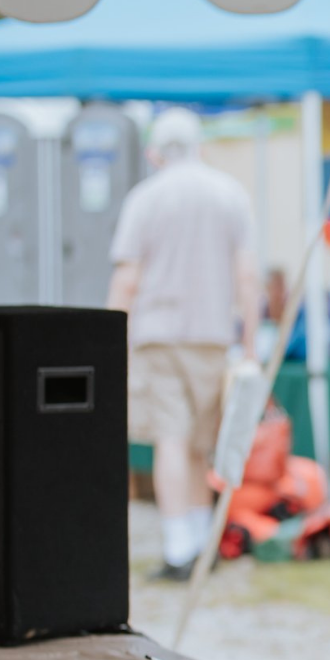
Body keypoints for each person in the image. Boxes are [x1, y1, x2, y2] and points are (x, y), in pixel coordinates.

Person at [107, 107, 259, 581]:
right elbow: (248, 276)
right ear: (199, 145)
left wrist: (106, 337)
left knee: (170, 439)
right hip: (213, 334)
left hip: (159, 333)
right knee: (200, 445)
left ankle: (178, 548)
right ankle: (199, 541)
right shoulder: (230, 193)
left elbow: (127, 278)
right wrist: (250, 343)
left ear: (156, 152)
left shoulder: (145, 198)